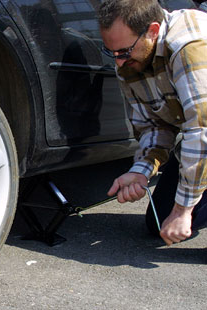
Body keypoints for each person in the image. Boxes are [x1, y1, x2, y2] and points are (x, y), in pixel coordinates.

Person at [97, 0, 207, 246]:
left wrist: (183, 210)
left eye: (124, 52)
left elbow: (201, 131)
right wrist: (141, 171)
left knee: (179, 216)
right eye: (111, 52)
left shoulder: (189, 46)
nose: (118, 63)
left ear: (153, 31)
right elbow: (154, 125)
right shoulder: (131, 60)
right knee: (159, 224)